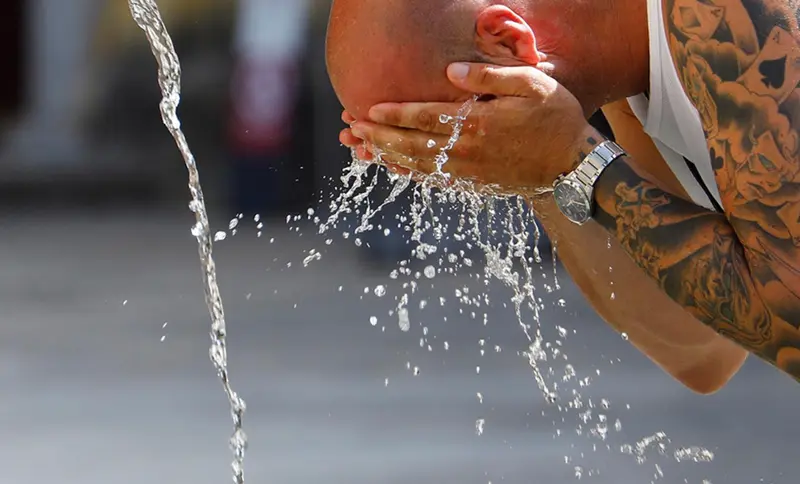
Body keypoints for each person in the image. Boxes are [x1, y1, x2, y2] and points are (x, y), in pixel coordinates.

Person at [325, 0, 800, 393]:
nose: (448, 166)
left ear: (509, 41)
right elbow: (703, 350)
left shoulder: (726, 19)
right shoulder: (627, 63)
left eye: (443, 130)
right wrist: (542, 172)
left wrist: (577, 159)